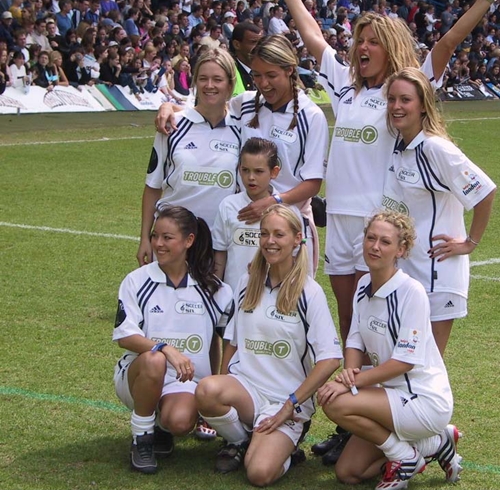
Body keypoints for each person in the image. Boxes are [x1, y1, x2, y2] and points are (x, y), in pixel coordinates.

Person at [261, 0, 500, 463]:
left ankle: (392, 431)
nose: (362, 48)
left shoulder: (402, 91)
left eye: (372, 41)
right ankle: (356, 421)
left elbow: (444, 46)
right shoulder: (344, 87)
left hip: (382, 229)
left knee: (393, 331)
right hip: (340, 223)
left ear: (391, 47)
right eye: (359, 39)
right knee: (354, 326)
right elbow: (312, 38)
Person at [195, 205, 342, 485]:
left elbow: (330, 359)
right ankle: (242, 440)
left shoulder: (309, 292)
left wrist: (291, 404)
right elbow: (233, 340)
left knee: (259, 473)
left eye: (279, 234)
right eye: (264, 234)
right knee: (206, 390)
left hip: (285, 400)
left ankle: (284, 449)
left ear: (297, 239)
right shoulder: (246, 281)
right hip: (248, 389)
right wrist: (224, 379)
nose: (270, 241)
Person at [157, 34, 329, 274]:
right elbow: (207, 108)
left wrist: (272, 202)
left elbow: (312, 183)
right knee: (241, 294)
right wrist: (169, 107)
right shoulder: (245, 104)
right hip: (244, 223)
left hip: (287, 223)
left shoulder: (311, 117)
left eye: (271, 75)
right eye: (257, 75)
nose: (263, 83)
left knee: (287, 300)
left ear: (290, 70)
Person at [317, 211, 461, 490]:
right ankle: (433, 444)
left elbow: (404, 363)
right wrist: (348, 373)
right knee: (348, 472)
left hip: (423, 400)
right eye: (371, 238)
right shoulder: (362, 285)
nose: (375, 247)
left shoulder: (412, 292)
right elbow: (354, 340)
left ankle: (404, 455)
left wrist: (352, 383)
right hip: (389, 397)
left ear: (401, 250)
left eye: (385, 242)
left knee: (335, 402)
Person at [382, 67, 496, 356]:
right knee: (404, 359)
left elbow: (485, 191)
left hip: (437, 273)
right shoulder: (400, 145)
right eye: (392, 99)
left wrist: (470, 243)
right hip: (409, 268)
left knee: (427, 364)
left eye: (405, 100)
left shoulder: (436, 149)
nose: (397, 107)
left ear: (423, 105)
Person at [113, 205, 233, 474]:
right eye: (155, 236)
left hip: (183, 383)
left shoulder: (215, 289)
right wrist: (166, 348)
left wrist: (219, 381)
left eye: (167, 238)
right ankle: (141, 438)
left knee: (179, 422)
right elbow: (125, 336)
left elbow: (228, 341)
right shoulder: (136, 281)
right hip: (137, 375)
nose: (158, 244)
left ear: (189, 241)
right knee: (155, 359)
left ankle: (161, 426)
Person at [137, 47, 240, 267]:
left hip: (220, 244)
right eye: (203, 78)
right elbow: (153, 186)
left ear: (230, 85)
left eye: (217, 79)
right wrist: (145, 237)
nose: (209, 85)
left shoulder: (241, 130)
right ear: (194, 82)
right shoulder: (172, 124)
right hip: (172, 242)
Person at [212, 137, 304, 292]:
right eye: (245, 170)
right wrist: (216, 291)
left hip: (274, 300)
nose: (251, 177)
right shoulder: (228, 205)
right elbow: (220, 255)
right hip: (235, 298)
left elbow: (296, 260)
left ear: (274, 172)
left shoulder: (289, 211)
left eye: (259, 171)